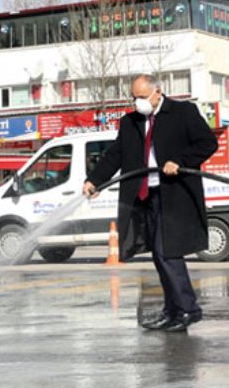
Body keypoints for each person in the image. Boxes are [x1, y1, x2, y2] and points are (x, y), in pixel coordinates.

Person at [84, 74, 217, 332]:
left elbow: (207, 143)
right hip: (144, 197)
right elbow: (116, 155)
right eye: (134, 97)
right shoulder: (130, 122)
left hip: (174, 195)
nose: (138, 103)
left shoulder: (182, 112)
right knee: (159, 255)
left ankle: (188, 309)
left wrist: (181, 161)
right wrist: (95, 180)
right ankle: (173, 310)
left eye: (142, 97)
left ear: (158, 92)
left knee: (168, 252)